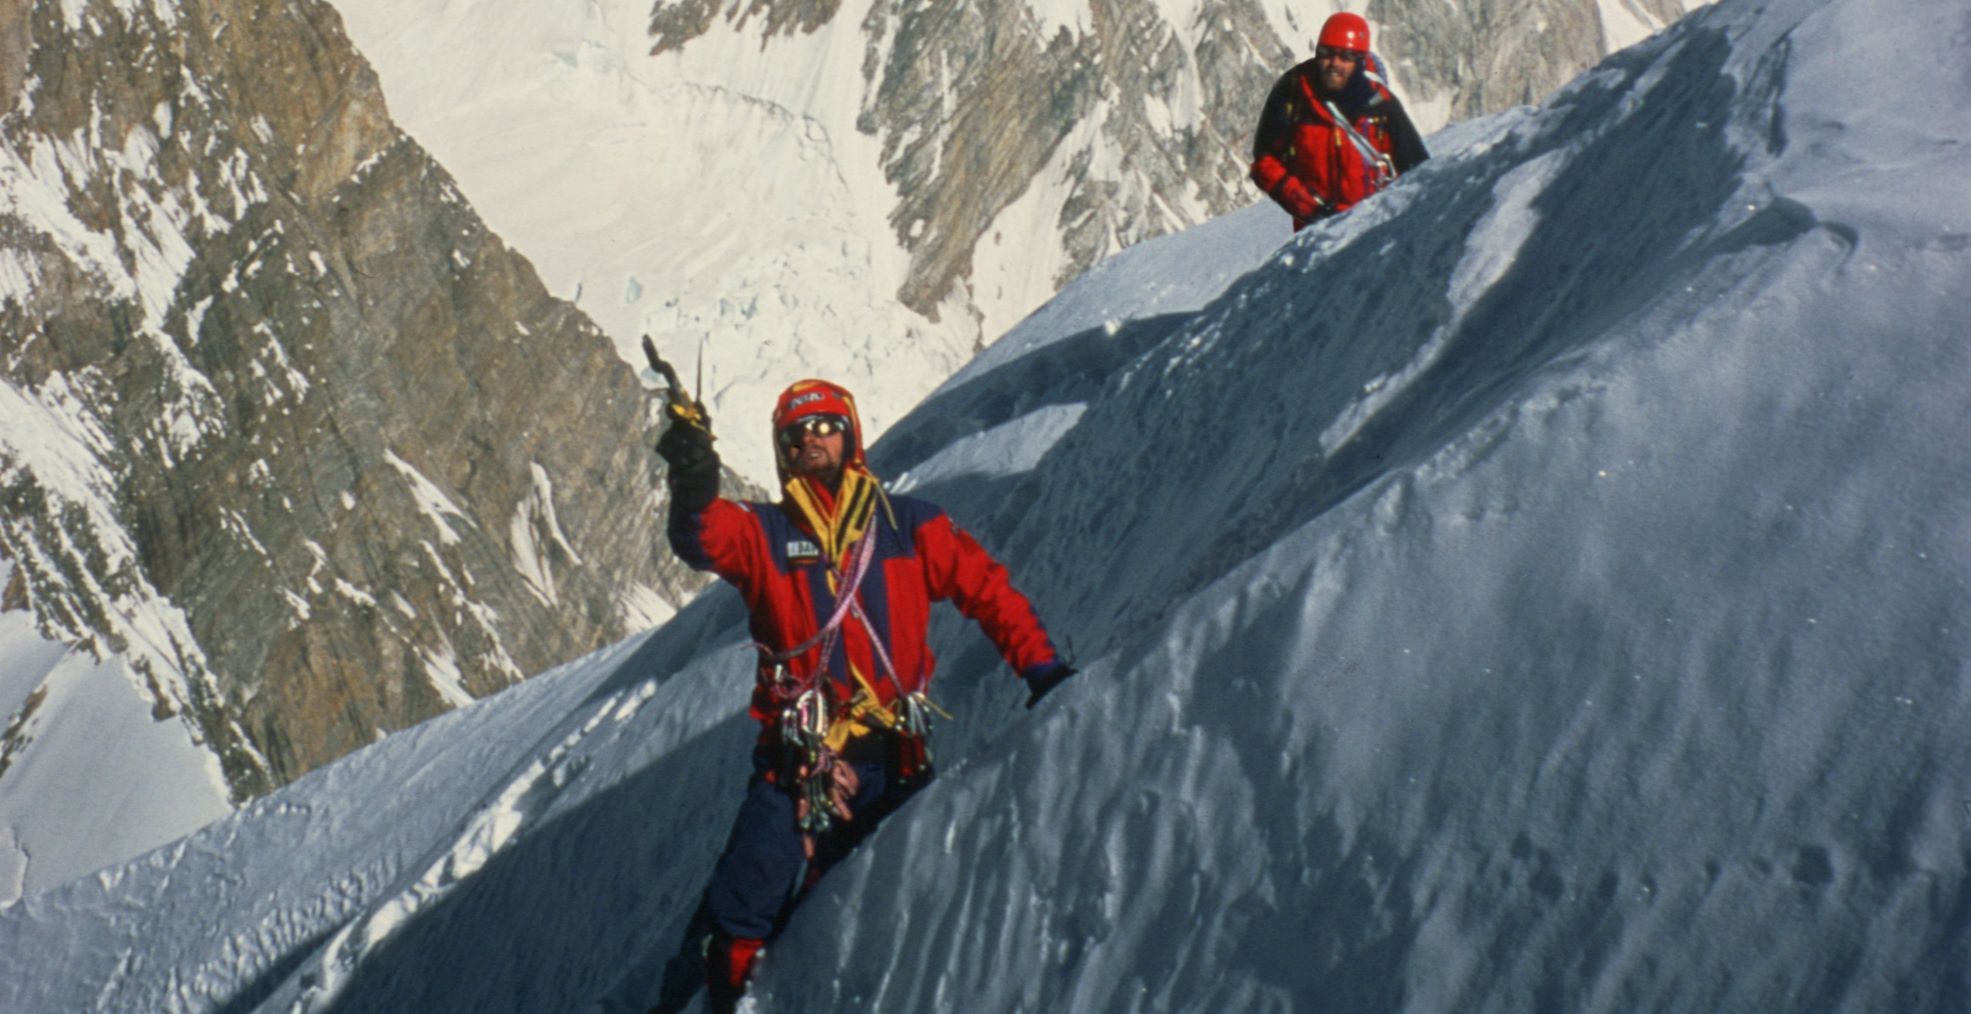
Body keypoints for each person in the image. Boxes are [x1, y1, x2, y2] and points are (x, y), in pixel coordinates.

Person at [655, 378, 1076, 1011]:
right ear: (782, 452)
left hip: (893, 757)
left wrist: (1042, 668)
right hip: (798, 764)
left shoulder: (910, 526)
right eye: (796, 434)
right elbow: (701, 537)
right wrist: (693, 477)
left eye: (825, 426)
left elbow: (989, 593)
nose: (811, 439)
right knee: (745, 901)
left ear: (850, 435)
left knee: (868, 902)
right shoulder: (763, 533)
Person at [1250, 11, 1430, 230]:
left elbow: (1419, 171)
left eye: (1345, 56)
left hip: (1374, 229)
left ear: (1360, 60)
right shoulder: (1294, 92)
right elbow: (1264, 160)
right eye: (1326, 54)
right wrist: (1308, 206)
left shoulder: (1381, 105)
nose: (1333, 63)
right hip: (1317, 233)